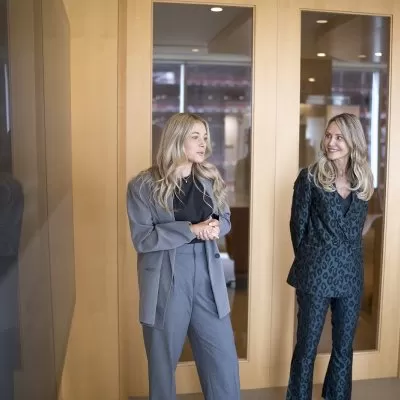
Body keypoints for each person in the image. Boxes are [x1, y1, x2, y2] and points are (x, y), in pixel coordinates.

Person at [126, 112, 240, 400]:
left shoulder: (210, 178)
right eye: (195, 137)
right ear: (176, 139)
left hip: (208, 275)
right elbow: (143, 238)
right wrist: (191, 230)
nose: (204, 144)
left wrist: (217, 226)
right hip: (166, 277)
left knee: (223, 361)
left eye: (205, 137)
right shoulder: (142, 185)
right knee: (162, 367)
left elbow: (225, 218)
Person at [286, 113, 373, 400]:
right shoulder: (309, 178)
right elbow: (297, 227)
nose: (331, 142)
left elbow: (356, 228)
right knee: (307, 348)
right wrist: (312, 260)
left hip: (350, 275)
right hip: (315, 274)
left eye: (339, 137)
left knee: (344, 348)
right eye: (328, 135)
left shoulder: (364, 181)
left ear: (353, 141)